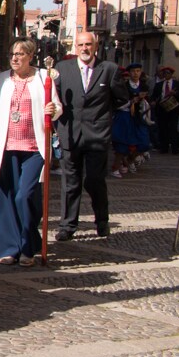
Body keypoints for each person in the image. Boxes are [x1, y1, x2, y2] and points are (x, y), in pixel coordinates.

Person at [0, 40, 60, 266]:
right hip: (7, 147)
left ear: (30, 56)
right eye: (12, 54)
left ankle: (28, 245)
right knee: (7, 196)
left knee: (25, 195)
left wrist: (53, 111)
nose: (15, 58)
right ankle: (10, 248)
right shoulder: (2, 80)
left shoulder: (42, 78)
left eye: (20, 54)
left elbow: (56, 107)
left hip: (34, 147)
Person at [53, 32, 126, 241]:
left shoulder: (109, 69)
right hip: (70, 133)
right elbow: (54, 98)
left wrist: (103, 117)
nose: (84, 48)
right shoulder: (62, 69)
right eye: (80, 45)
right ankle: (67, 225)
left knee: (95, 180)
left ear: (96, 46)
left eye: (88, 44)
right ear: (75, 47)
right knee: (70, 182)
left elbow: (121, 99)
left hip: (97, 135)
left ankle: (102, 220)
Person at [111, 63, 151, 176]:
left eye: (138, 71)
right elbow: (118, 104)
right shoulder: (124, 86)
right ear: (129, 73)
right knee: (122, 144)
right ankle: (116, 167)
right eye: (133, 71)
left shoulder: (144, 86)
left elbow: (148, 102)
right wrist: (132, 101)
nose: (136, 73)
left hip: (138, 118)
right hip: (125, 116)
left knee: (144, 143)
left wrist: (144, 101)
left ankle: (129, 160)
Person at [151, 65, 179, 154]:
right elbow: (154, 96)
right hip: (162, 109)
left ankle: (175, 148)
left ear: (171, 74)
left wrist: (174, 94)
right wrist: (153, 102)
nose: (166, 75)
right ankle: (164, 147)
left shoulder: (177, 84)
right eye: (164, 73)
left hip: (174, 108)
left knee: (173, 128)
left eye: (168, 73)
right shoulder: (159, 85)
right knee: (163, 128)